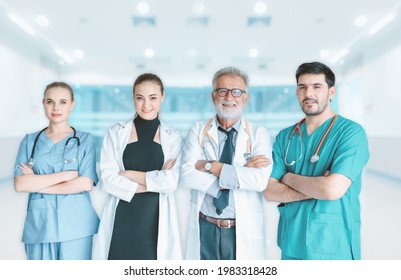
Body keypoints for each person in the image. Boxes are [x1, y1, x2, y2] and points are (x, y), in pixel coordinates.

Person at [264, 62, 370, 260]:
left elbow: (331, 190)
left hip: (333, 246)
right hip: (291, 246)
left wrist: (287, 178)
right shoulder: (285, 137)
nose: (308, 93)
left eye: (317, 86)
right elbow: (269, 192)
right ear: (296, 93)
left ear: (331, 92)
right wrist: (316, 188)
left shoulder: (351, 134)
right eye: (302, 87)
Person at [180, 66, 272, 260]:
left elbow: (259, 181)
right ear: (214, 96)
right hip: (205, 226)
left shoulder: (258, 134)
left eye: (237, 92)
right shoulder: (198, 130)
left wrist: (211, 167)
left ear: (245, 98)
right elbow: (187, 175)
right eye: (223, 91)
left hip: (240, 229)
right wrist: (235, 177)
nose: (229, 97)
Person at [92, 73, 182, 260]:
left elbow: (170, 183)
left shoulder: (173, 137)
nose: (146, 105)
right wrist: (154, 180)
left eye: (153, 98)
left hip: (155, 219)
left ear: (162, 97)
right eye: (140, 98)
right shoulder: (116, 132)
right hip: (122, 217)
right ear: (133, 97)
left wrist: (129, 174)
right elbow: (108, 180)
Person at [13, 82, 99, 260]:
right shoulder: (30, 141)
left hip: (76, 225)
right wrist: (64, 176)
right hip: (40, 224)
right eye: (50, 101)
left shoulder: (85, 140)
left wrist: (38, 183)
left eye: (63, 102)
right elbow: (21, 184)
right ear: (43, 103)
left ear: (72, 104)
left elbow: (85, 182)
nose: (56, 107)